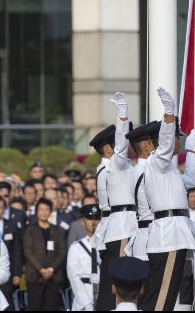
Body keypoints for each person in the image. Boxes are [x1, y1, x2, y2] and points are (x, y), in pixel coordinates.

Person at [139, 88, 195, 311]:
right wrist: (169, 114)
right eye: (178, 138)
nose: (178, 141)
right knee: (163, 296)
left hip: (174, 233)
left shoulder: (167, 168)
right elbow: (167, 144)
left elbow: (190, 180)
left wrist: (191, 151)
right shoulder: (156, 162)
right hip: (168, 237)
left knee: (164, 294)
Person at [98, 92, 137, 310]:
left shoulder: (126, 165)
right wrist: (123, 116)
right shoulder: (116, 164)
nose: (130, 143)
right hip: (122, 226)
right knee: (120, 283)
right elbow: (121, 146)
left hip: (124, 225)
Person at [87, 121, 117, 310]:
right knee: (111, 283)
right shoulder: (108, 170)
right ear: (107, 149)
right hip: (114, 227)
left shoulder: (106, 169)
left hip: (111, 227)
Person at [23, 198, 67, 311]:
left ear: (50, 211)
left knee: (51, 306)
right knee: (34, 307)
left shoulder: (57, 230)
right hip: (35, 276)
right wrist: (41, 269)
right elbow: (28, 251)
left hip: (54, 276)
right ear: (37, 211)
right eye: (41, 209)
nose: (43, 212)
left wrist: (51, 269)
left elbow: (62, 252)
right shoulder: (30, 230)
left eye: (46, 209)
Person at [0, 196, 23, 307]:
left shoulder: (12, 225)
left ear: (4, 209)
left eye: (0, 208)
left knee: (7, 303)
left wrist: (17, 274)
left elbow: (17, 251)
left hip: (7, 272)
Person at [66, 204, 102, 311]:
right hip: (82, 302)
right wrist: (86, 304)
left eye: (97, 218)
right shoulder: (76, 248)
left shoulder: (106, 246)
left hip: (103, 297)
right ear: (83, 222)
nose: (94, 222)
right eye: (90, 218)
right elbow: (74, 278)